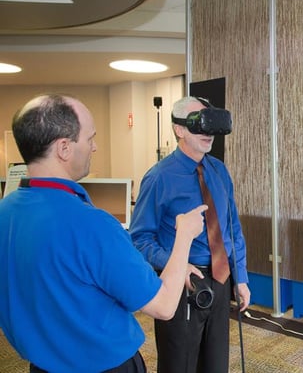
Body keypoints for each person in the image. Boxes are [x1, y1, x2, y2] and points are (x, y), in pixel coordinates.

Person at [0, 94, 208, 373]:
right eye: (89, 139)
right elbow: (164, 306)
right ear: (64, 148)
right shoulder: (92, 225)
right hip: (106, 365)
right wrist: (184, 235)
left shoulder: (7, 210)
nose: (94, 147)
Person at [130, 96, 251, 373]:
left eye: (211, 125)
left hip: (221, 279)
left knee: (216, 363)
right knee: (180, 364)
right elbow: (139, 239)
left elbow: (233, 228)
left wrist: (240, 277)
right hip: (182, 284)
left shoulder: (219, 171)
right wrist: (176, 266)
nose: (208, 133)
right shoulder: (159, 177)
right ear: (179, 129)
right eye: (199, 125)